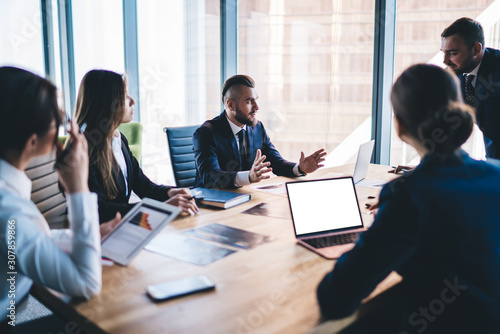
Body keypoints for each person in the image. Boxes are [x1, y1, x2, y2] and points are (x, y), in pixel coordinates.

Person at [317, 64, 500, 332]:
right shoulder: (494, 174)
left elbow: (337, 298)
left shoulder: (409, 194)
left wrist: (391, 219)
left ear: (400, 127)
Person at [0, 67, 104, 327]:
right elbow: (86, 282)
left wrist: (86, 233)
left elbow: (23, 240)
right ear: (32, 141)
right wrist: (77, 186)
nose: (63, 128)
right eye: (56, 121)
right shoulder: (10, 209)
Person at [74, 70, 199, 223]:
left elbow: (142, 185)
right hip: (100, 234)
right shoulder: (83, 150)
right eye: (125, 96)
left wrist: (170, 193)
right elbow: (100, 211)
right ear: (107, 102)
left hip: (120, 228)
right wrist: (161, 209)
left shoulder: (118, 140)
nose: (133, 101)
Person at [193, 74, 326, 189]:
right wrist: (248, 177)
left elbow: (277, 163)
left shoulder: (257, 128)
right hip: (209, 203)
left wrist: (300, 168)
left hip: (245, 197)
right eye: (249, 101)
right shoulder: (205, 134)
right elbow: (210, 177)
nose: (257, 107)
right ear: (230, 105)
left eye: (256, 100)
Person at [441, 17, 500, 159]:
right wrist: (426, 167)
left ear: (475, 49)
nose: (445, 60)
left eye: (453, 53)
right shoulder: (458, 73)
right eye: (444, 52)